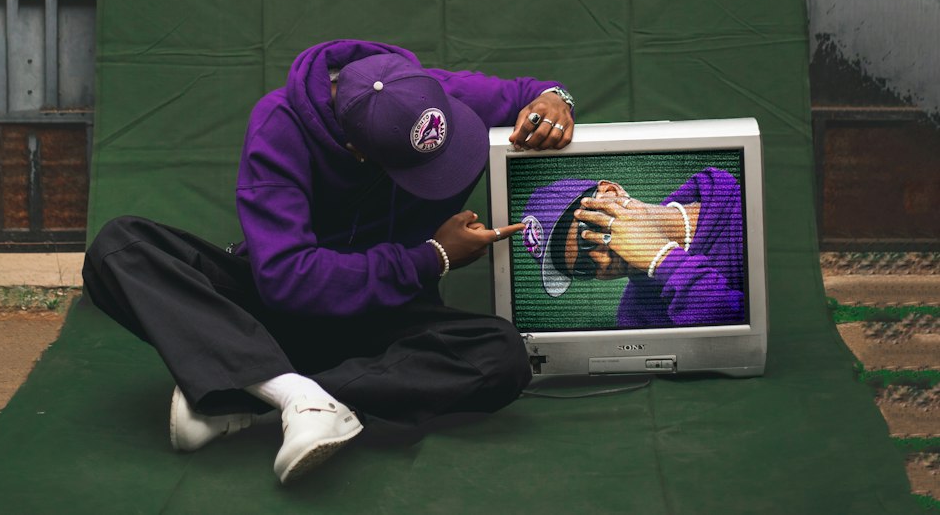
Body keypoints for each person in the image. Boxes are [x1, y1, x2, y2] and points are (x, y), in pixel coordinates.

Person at [83, 39, 576, 485]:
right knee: (119, 245)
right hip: (276, 310)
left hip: (381, 316)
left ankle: (258, 393)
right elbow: (286, 281)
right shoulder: (279, 124)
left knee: (504, 355)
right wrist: (433, 258)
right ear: (356, 151)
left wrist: (556, 100)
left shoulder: (422, 90)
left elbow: (533, 92)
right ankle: (294, 393)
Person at [520, 167, 744, 327]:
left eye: (588, 239)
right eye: (584, 267)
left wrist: (662, 256)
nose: (604, 262)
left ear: (611, 193)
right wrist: (665, 261)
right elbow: (728, 342)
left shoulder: (741, 205)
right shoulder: (636, 318)